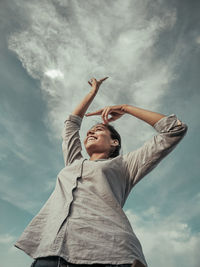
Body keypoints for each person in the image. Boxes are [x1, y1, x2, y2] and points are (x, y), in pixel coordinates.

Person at [14, 77, 188, 267]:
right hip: (50, 255)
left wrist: (124, 108)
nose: (89, 132)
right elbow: (71, 125)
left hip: (109, 254)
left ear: (114, 142)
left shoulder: (125, 165)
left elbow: (174, 130)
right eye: (89, 131)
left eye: (98, 129)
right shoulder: (73, 161)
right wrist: (92, 93)